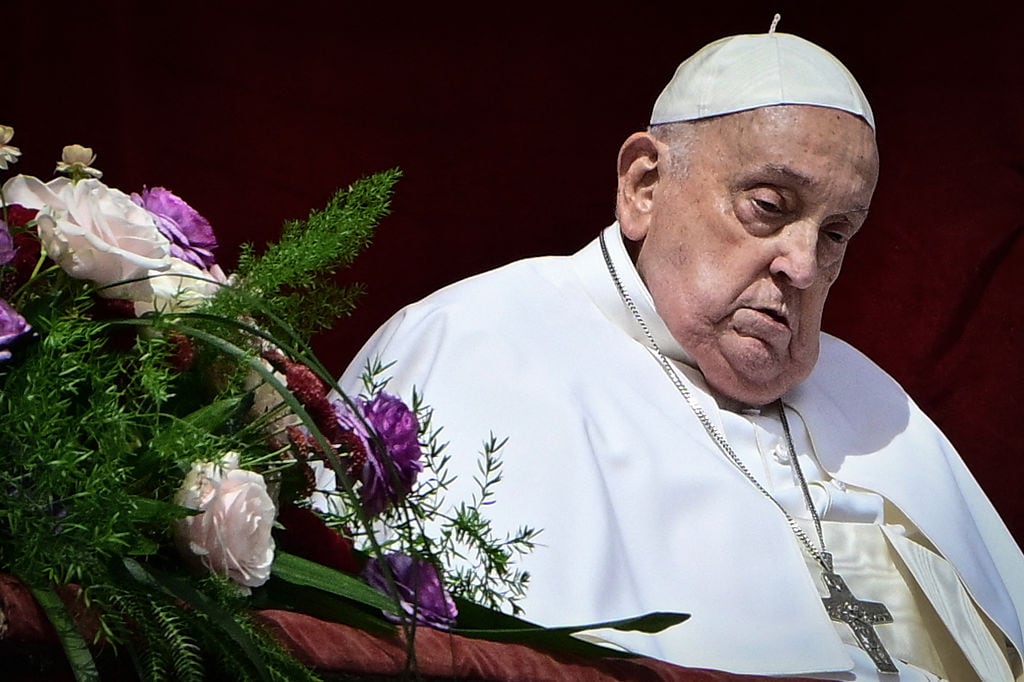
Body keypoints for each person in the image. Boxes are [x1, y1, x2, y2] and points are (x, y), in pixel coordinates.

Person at [339, 19, 1024, 681]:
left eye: (837, 231)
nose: (805, 266)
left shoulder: (872, 404)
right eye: (770, 204)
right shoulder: (480, 345)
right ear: (643, 185)